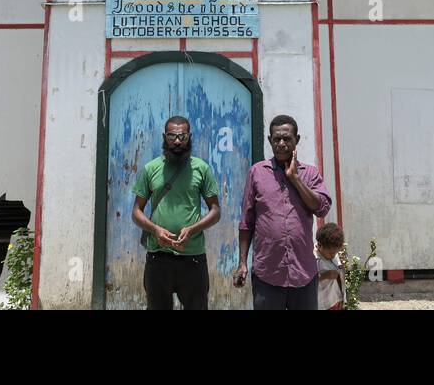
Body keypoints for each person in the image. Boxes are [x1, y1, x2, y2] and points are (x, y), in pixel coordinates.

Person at [234, 114, 332, 310]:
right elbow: (247, 222)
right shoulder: (257, 173)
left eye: (287, 139)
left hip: (303, 272)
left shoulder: (310, 173)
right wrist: (242, 263)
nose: (281, 143)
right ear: (269, 140)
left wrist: (295, 178)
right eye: (276, 139)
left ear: (297, 140)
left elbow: (321, 208)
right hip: (268, 272)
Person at [131, 115, 221, 310]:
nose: (178, 141)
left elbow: (215, 211)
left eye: (182, 136)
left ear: (189, 137)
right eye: (172, 136)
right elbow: (137, 211)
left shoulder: (202, 169)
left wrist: (192, 229)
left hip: (193, 257)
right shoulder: (151, 169)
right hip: (158, 257)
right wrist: (155, 230)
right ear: (165, 137)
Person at [315, 222, 346, 310]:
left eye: (335, 252)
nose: (333, 255)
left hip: (335, 301)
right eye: (331, 253)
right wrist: (324, 276)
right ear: (320, 246)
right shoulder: (313, 260)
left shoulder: (334, 255)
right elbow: (307, 281)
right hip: (320, 305)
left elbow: (340, 278)